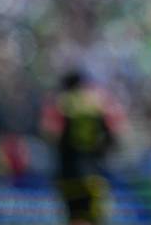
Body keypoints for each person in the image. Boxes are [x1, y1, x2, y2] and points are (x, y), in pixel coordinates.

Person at [41, 70, 124, 225]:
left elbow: (50, 134)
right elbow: (116, 134)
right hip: (95, 173)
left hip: (68, 173)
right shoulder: (100, 102)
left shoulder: (60, 104)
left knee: (74, 217)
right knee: (95, 217)